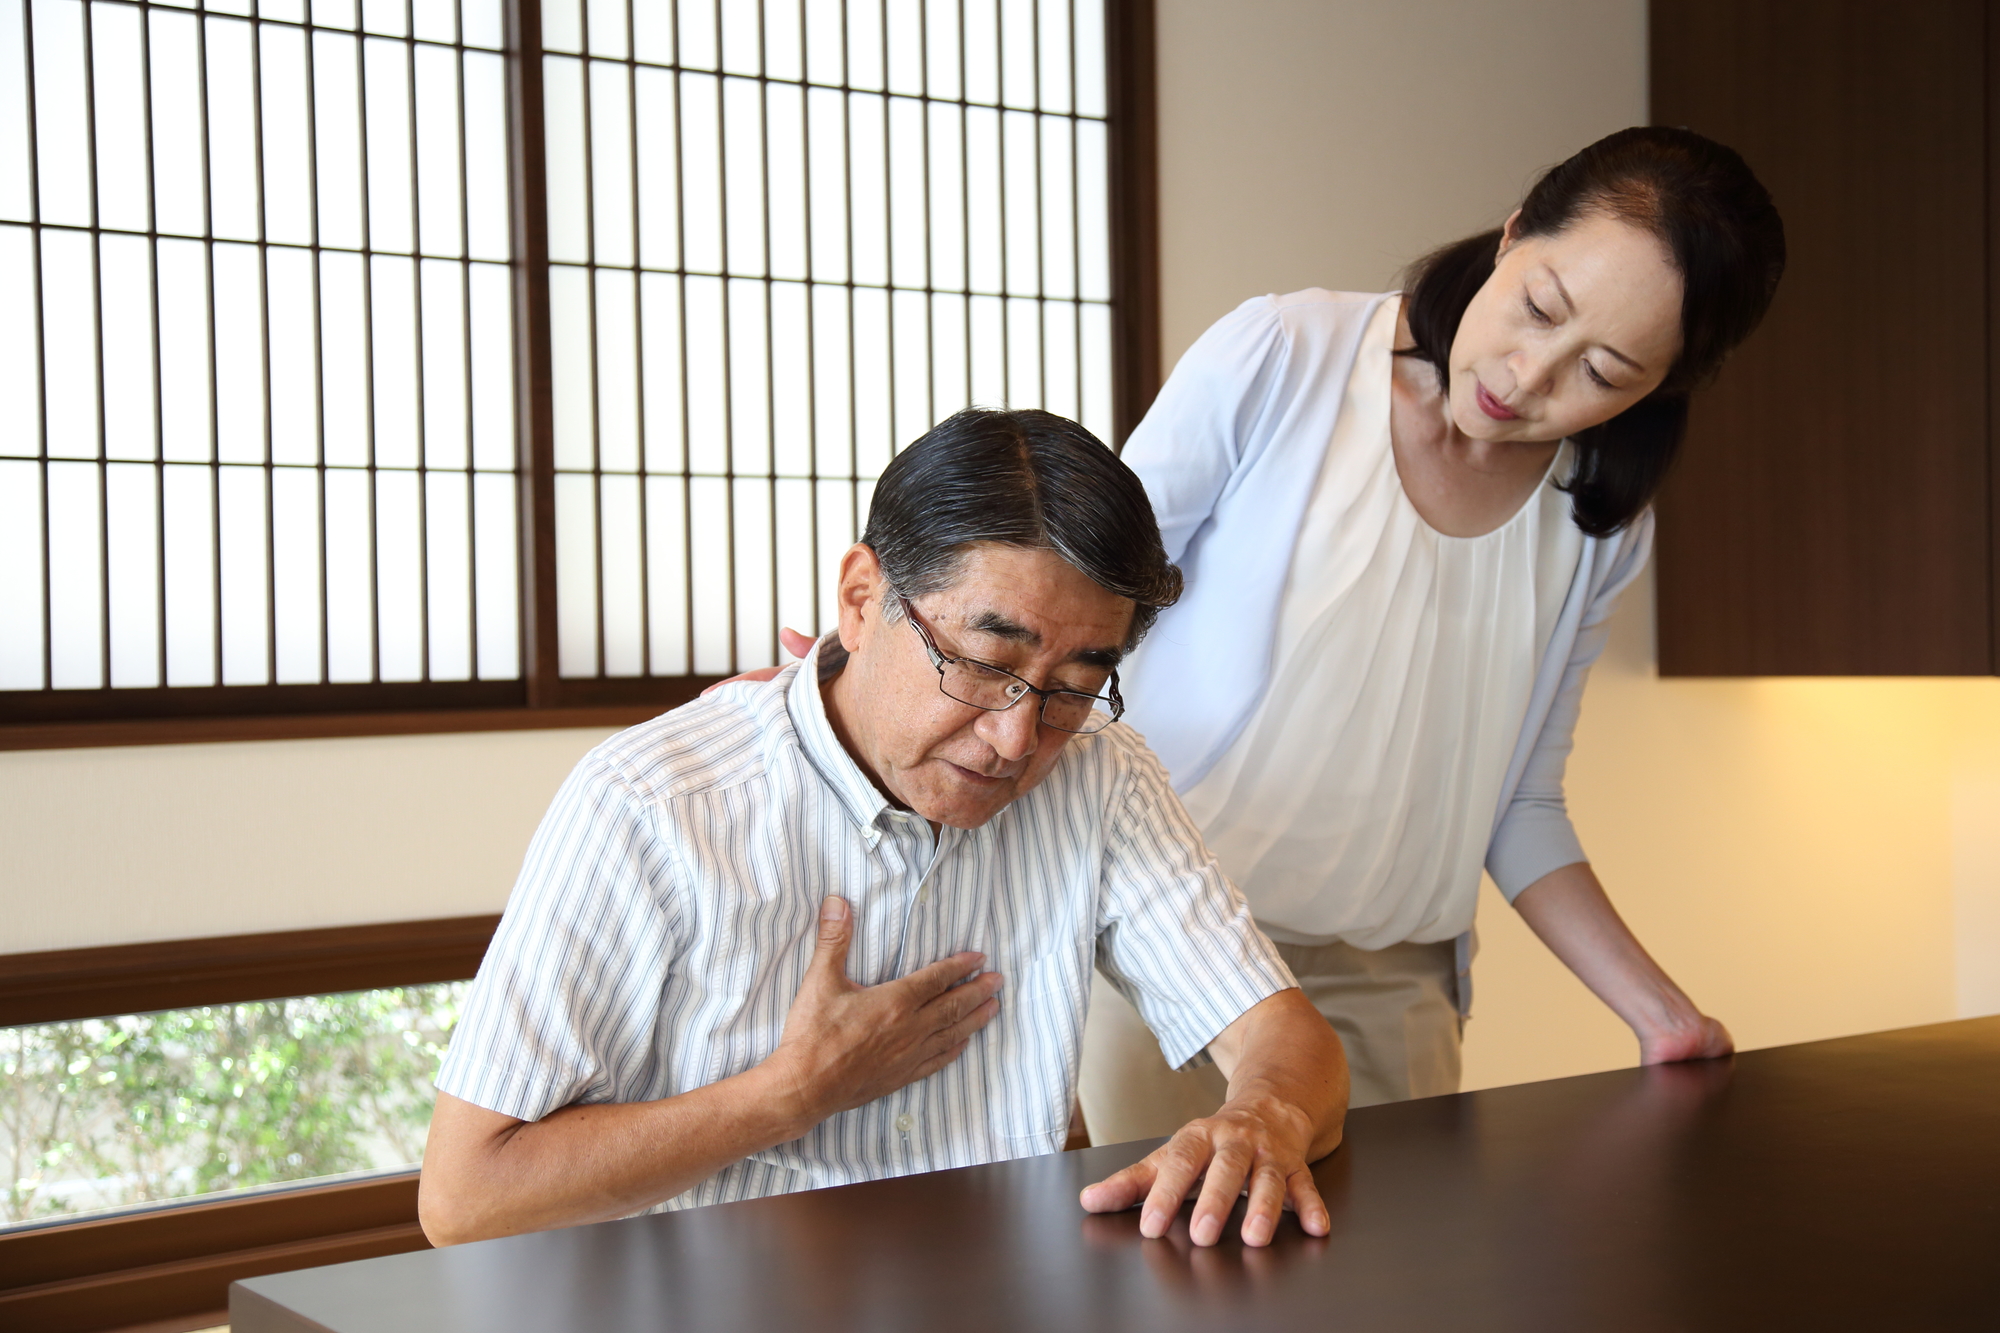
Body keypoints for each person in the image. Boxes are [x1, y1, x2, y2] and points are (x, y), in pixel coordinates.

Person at [419, 408, 1348, 1250]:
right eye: (984, 665)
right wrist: (788, 1095)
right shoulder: (657, 804)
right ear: (862, 599)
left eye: (1071, 689)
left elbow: (1290, 1041)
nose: (1015, 738)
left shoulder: (1099, 778)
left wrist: (1264, 1113)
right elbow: (467, 1196)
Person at [1079, 126, 1787, 1139]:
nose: (1529, 375)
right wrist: (865, 674)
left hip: (1392, 986)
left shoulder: (1596, 519)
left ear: (1657, 388)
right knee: (1152, 1285)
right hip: (1158, 949)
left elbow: (1520, 804)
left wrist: (1660, 1014)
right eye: (1538, 307)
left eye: (1601, 368)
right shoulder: (1288, 356)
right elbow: (1071, 603)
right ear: (1509, 238)